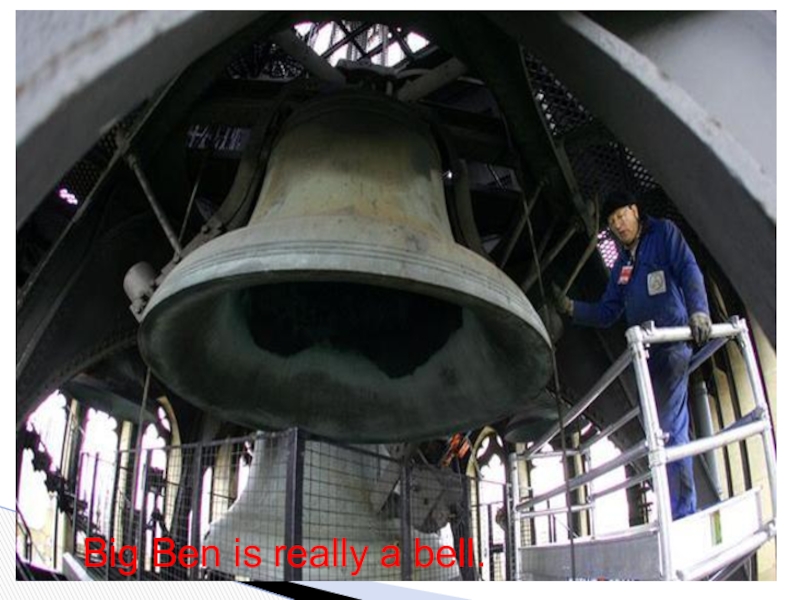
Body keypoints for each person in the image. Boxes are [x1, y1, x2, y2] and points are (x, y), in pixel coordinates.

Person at [553, 190, 712, 519]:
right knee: (660, 430)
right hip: (645, 355)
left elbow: (687, 268)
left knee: (669, 428)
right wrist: (571, 308)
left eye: (621, 216)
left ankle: (683, 512)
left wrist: (699, 311)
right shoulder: (622, 265)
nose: (618, 224)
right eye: (612, 222)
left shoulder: (663, 233)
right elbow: (607, 312)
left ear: (635, 211)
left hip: (670, 343)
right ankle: (675, 506)